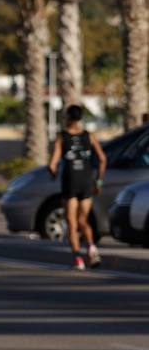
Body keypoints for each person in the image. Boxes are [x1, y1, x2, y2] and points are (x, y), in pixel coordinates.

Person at [47, 105, 107, 269]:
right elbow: (102, 159)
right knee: (83, 220)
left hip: (70, 183)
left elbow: (53, 164)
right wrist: (99, 181)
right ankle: (92, 248)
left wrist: (53, 174)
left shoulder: (62, 137)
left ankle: (78, 260)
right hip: (86, 182)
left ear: (67, 117)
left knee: (72, 223)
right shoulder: (89, 136)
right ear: (80, 118)